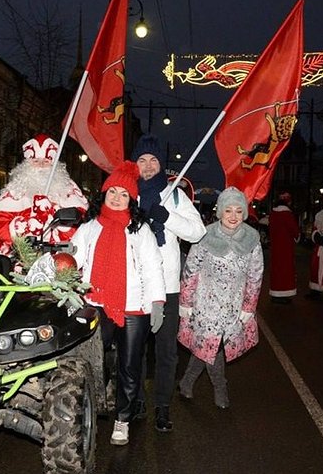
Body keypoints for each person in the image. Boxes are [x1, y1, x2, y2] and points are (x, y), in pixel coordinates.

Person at [71, 161, 165, 447]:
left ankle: (122, 419)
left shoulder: (140, 230)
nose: (116, 197)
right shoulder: (88, 228)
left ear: (132, 199)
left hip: (134, 306)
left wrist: (157, 302)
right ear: (104, 193)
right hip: (95, 302)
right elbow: (72, 261)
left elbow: (152, 267)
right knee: (94, 360)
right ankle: (93, 404)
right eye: (112, 191)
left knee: (130, 365)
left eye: (123, 194)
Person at [130, 135, 205, 433]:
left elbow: (197, 232)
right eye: (142, 161)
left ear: (161, 165)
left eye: (153, 161)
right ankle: (134, 399)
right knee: (134, 350)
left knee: (165, 351)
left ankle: (162, 405)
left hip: (167, 287)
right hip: (135, 287)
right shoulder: (127, 193)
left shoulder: (174, 195)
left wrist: (166, 216)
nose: (148, 167)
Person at [177, 187, 262, 409]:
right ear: (220, 212)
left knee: (209, 347)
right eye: (228, 210)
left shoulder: (252, 239)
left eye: (237, 211)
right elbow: (190, 270)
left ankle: (186, 382)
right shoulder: (205, 237)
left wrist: (248, 307)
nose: (233, 216)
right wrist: (186, 302)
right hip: (206, 303)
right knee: (212, 346)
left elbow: (255, 275)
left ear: (243, 213)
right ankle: (220, 387)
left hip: (234, 305)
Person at [0, 134, 88, 255]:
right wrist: (28, 224)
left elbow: (81, 227)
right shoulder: (15, 190)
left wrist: (53, 214)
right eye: (35, 161)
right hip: (22, 258)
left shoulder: (68, 189)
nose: (41, 165)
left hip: (60, 258)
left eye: (46, 161)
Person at [267, 191, 300, 304]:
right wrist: (297, 236)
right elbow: (294, 231)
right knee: (285, 271)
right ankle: (283, 294)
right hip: (286, 248)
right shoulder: (288, 215)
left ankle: (276, 293)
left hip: (275, 248)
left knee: (276, 270)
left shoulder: (273, 214)